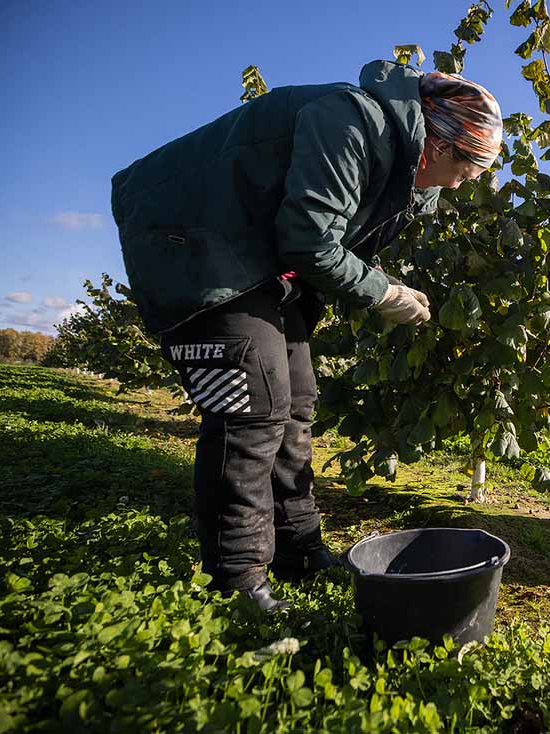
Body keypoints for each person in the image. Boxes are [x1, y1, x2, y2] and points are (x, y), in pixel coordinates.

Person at [110, 60, 503, 612]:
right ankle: (237, 581)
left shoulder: (401, 174)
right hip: (201, 247)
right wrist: (384, 294)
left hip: (263, 268)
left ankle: (299, 552)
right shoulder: (350, 123)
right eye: (472, 167)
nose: (472, 181)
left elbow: (333, 249)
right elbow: (310, 241)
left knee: (295, 406)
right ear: (439, 146)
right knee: (253, 410)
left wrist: (381, 283)